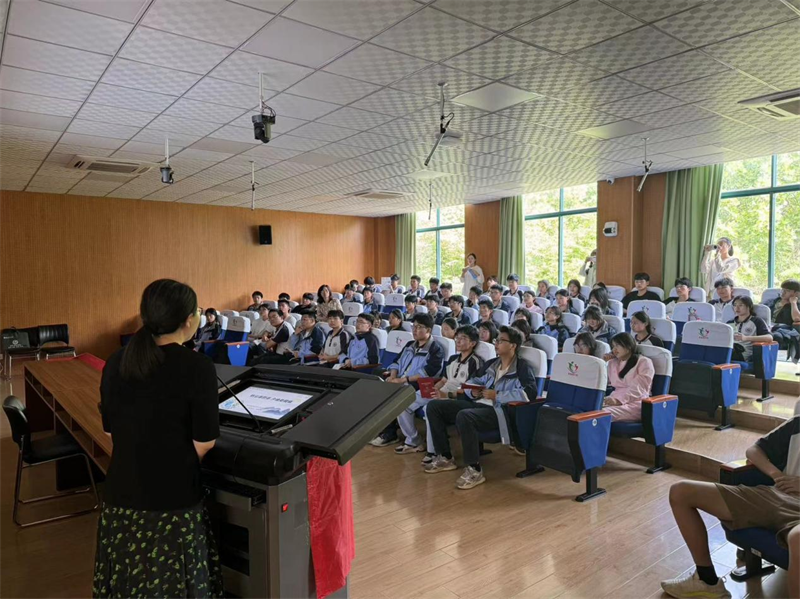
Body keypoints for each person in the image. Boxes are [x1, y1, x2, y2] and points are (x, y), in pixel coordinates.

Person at [95, 279, 223, 597]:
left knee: (127, 583)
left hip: (121, 496)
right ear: (188, 320)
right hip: (173, 502)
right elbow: (205, 442)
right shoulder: (198, 367)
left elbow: (110, 431)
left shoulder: (116, 361)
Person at [660, 400, 799, 599]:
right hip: (775, 495)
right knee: (681, 492)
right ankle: (706, 580)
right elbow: (753, 451)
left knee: (797, 538)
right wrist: (776, 475)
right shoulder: (796, 424)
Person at [424, 326, 538, 489]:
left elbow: (530, 394)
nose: (496, 343)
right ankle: (445, 457)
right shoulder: (492, 364)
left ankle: (474, 469)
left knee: (465, 415)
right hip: (478, 404)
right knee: (434, 406)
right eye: (496, 340)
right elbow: (472, 381)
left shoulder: (522, 368)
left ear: (513, 345)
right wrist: (473, 391)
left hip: (500, 412)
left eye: (501, 341)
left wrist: (497, 395)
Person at [370, 313, 444, 448]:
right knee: (378, 392)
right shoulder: (410, 344)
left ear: (428, 330)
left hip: (419, 385)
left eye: (419, 327)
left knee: (397, 401)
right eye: (413, 326)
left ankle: (398, 436)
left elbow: (428, 373)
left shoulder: (435, 349)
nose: (414, 330)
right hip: (401, 380)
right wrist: (393, 376)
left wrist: (403, 380)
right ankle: (386, 431)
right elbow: (396, 362)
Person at [419, 325, 485, 464]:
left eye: (463, 338)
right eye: (457, 338)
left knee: (429, 408)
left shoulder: (475, 362)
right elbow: (443, 380)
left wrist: (446, 394)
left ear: (472, 343)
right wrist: (434, 389)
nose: (458, 341)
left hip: (459, 398)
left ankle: (433, 452)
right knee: (411, 399)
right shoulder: (453, 358)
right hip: (443, 392)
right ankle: (412, 441)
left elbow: (469, 390)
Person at [603, 333, 655, 422]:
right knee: (590, 409)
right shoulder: (613, 362)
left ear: (628, 346)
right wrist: (603, 363)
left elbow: (639, 388)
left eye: (617, 345)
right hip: (614, 399)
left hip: (636, 403)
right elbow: (603, 381)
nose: (614, 349)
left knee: (600, 414)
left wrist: (618, 400)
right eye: (613, 346)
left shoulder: (644, 362)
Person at [764, 279, 800, 362]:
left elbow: (797, 318)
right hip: (766, 326)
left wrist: (793, 303)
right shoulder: (772, 302)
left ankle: (770, 361)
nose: (783, 293)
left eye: (787, 291)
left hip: (783, 330)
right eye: (782, 290)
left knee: (776, 336)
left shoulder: (797, 305)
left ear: (796, 293)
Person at [727, 296, 772, 362]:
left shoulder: (756, 321)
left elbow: (769, 338)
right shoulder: (729, 323)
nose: (737, 308)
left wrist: (746, 338)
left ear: (749, 307)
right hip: (730, 348)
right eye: (735, 305)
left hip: (743, 352)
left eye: (741, 305)